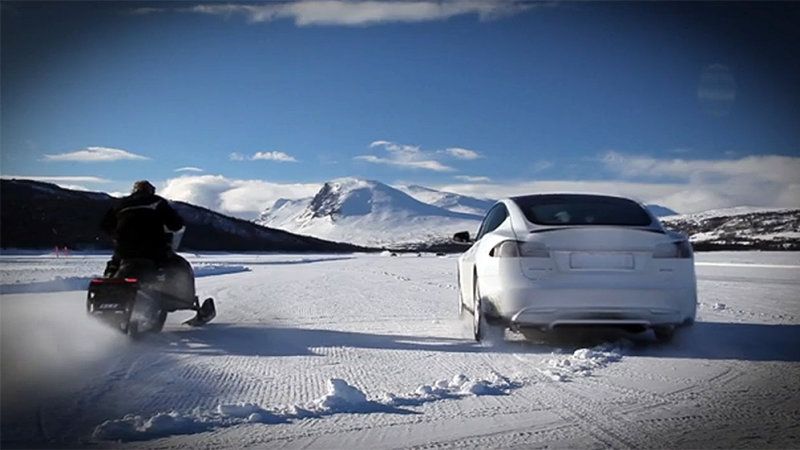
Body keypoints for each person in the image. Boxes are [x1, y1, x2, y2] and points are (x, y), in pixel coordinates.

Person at [101, 180, 185, 277]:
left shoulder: (121, 203)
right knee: (169, 264)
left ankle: (110, 276)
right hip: (152, 246)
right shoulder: (157, 201)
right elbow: (175, 224)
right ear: (150, 191)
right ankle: (167, 282)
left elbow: (105, 225)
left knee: (115, 262)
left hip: (124, 247)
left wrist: (116, 235)